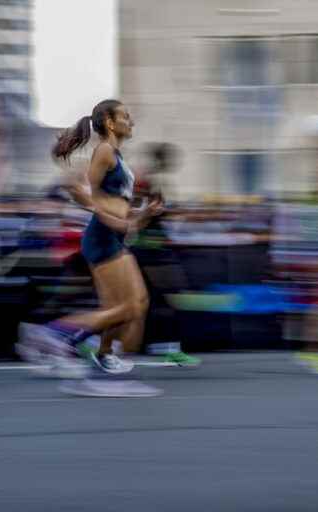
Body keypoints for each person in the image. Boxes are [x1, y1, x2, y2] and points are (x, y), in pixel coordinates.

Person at [21, 99, 190, 396]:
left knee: (132, 307)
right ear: (110, 123)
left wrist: (144, 214)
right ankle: (57, 334)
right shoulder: (104, 152)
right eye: (125, 116)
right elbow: (87, 197)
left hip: (111, 236)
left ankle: (100, 362)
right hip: (102, 237)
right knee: (129, 307)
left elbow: (118, 211)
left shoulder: (117, 156)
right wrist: (116, 221)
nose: (132, 120)